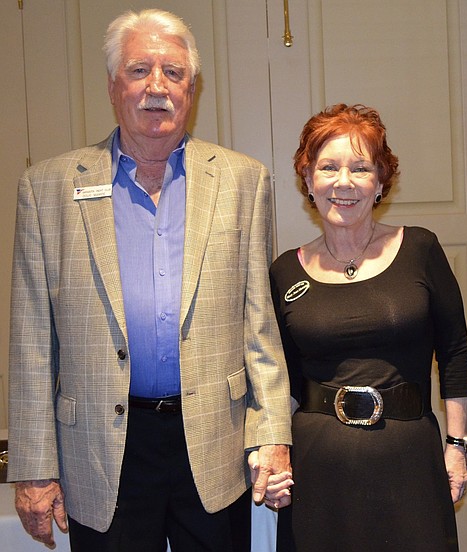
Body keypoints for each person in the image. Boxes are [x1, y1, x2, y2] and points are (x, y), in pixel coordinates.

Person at [8, 9, 293, 551]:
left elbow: (261, 329)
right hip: (99, 451)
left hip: (213, 442)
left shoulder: (243, 180)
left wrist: (274, 434)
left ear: (192, 87)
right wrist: (34, 467)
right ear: (113, 85)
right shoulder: (46, 187)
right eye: (140, 70)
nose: (157, 87)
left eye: (173, 72)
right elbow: (31, 345)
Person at [270, 103, 467, 551]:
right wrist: (273, 451)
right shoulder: (285, 272)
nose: (344, 183)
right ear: (308, 179)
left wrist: (456, 445)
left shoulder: (420, 249)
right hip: (318, 468)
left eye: (360, 168)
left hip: (410, 461)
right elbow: (274, 378)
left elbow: (456, 352)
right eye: (328, 167)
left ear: (381, 181)